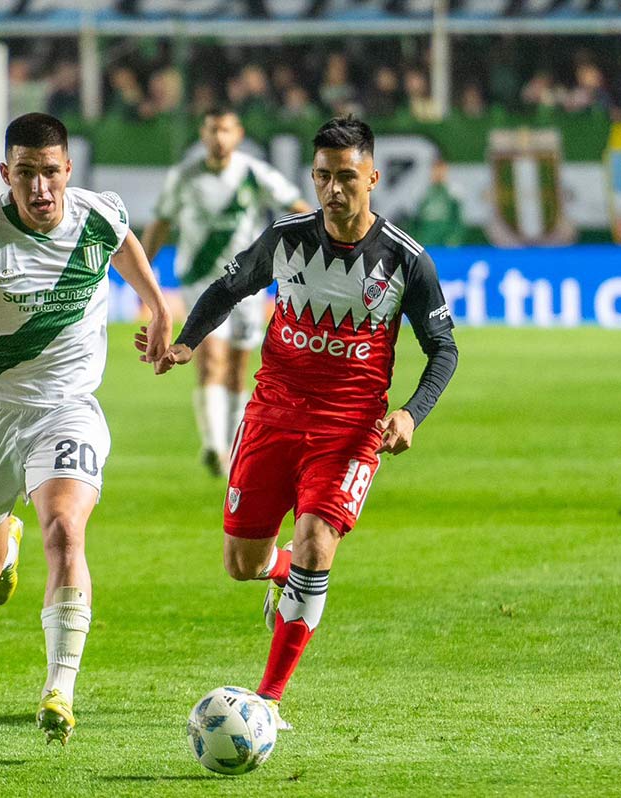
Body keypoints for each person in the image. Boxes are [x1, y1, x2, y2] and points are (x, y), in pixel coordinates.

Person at [138, 116, 458, 730]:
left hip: (349, 428)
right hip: (272, 417)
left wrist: (411, 414)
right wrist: (184, 343)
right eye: (322, 178)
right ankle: (284, 576)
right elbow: (226, 288)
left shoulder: (406, 261)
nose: (333, 191)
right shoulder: (284, 239)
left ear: (373, 177)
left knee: (317, 544)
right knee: (243, 563)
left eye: (346, 178)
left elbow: (443, 348)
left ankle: (269, 701)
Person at [0, 113, 171, 745]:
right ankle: (0, 534)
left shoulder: (97, 215)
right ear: (7, 174)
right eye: (26, 174)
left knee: (65, 530)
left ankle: (59, 687)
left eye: (51, 172)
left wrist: (157, 304)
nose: (40, 188)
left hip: (68, 407)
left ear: (68, 170)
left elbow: (125, 246)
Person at [140, 108, 310, 476]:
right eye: (213, 130)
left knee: (238, 368)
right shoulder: (185, 176)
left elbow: (298, 208)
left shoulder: (253, 172)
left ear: (238, 133)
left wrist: (319, 241)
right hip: (201, 281)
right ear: (203, 135)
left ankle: (234, 447)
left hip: (245, 284)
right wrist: (142, 277)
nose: (219, 137)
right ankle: (214, 446)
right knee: (210, 359)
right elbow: (161, 223)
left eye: (226, 130)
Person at [409, 157, 464, 247]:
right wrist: (417, 240)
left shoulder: (454, 193)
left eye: (441, 169)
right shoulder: (421, 192)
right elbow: (414, 221)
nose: (438, 173)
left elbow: (458, 221)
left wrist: (453, 240)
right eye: (435, 169)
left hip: (446, 244)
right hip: (426, 242)